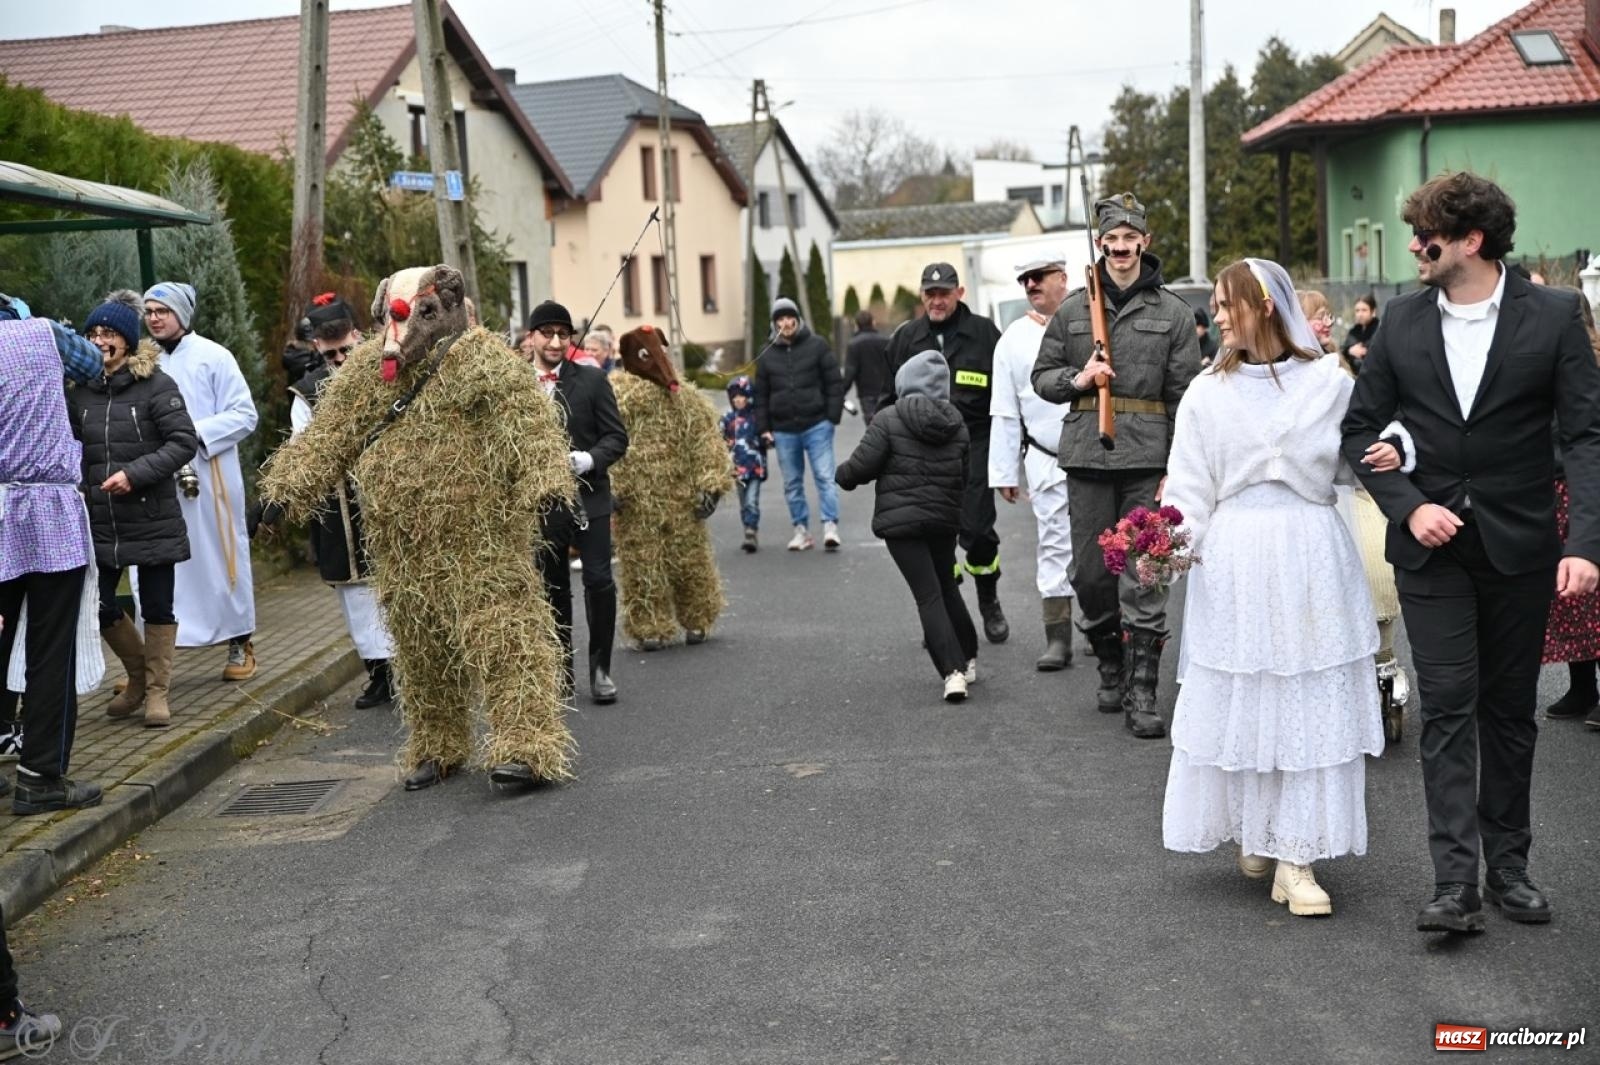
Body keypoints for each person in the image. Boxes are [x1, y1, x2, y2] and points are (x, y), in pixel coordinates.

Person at [1341, 172, 1600, 934]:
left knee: (1509, 711)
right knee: (1448, 703)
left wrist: (1585, 542)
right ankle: (1454, 882)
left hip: (1522, 547)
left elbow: (1587, 437)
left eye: (1428, 236)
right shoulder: (1399, 322)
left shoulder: (1553, 316)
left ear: (1472, 241)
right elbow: (1361, 430)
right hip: (1431, 551)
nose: (1415, 247)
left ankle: (1509, 865)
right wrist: (1410, 505)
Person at [260, 265, 578, 793]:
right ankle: (438, 745)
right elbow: (328, 435)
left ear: (448, 311)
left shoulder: (485, 364)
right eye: (391, 317)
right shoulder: (367, 372)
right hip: (402, 550)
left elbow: (530, 430)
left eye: (417, 315)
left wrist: (545, 481)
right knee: (422, 651)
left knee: (503, 642)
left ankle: (526, 745)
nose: (397, 332)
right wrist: (283, 491)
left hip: (481, 543)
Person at [1161, 258, 1384, 917]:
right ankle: (1260, 827)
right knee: (1252, 695)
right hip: (1236, 556)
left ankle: (1298, 857)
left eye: (1228, 304)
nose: (1218, 316)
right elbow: (1190, 487)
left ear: (1263, 305)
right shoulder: (1207, 392)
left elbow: (1360, 459)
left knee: (1308, 695)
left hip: (1311, 552)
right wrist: (1168, 545)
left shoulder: (1329, 381)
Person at [1031, 191, 1201, 738]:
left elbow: (1185, 398)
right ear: (1100, 244)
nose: (1122, 248)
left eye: (1131, 240)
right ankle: (1108, 660)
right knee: (1089, 575)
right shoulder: (1074, 309)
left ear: (1144, 243)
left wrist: (1178, 465)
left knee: (1145, 574)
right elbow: (1043, 376)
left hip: (1148, 461)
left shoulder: (1172, 312)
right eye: (1112, 241)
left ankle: (1142, 691)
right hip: (1086, 455)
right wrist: (1078, 380)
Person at [0, 291, 105, 816]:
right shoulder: (39, 332)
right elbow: (93, 363)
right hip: (45, 512)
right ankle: (40, 776)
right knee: (50, 648)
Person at [71, 299, 197, 729]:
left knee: (158, 604)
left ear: (127, 340)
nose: (100, 341)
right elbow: (69, 449)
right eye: (94, 334)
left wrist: (134, 474)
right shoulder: (80, 392)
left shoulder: (157, 385)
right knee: (98, 603)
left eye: (109, 334)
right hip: (101, 518)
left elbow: (182, 442)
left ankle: (158, 693)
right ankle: (139, 677)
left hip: (151, 513)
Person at [837, 350, 977, 702]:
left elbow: (862, 466)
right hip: (943, 521)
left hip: (902, 525)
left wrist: (842, 476)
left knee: (926, 595)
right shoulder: (956, 422)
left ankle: (952, 671)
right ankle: (969, 656)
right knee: (947, 586)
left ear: (906, 381)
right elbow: (964, 475)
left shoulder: (888, 418)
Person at [883, 264, 1009, 643]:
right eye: (930, 293)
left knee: (977, 532)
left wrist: (1011, 452)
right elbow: (886, 400)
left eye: (945, 292)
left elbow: (1006, 397)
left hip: (974, 445)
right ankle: (944, 611)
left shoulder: (985, 335)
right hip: (922, 452)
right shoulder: (905, 338)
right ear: (922, 295)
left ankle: (989, 601)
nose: (937, 300)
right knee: (934, 536)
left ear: (960, 292)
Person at [282, 294, 396, 710]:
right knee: (355, 595)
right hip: (339, 507)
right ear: (317, 349)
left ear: (359, 336)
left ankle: (410, 668)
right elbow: (301, 448)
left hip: (389, 500)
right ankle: (379, 672)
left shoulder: (388, 374)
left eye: (347, 350)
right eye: (332, 354)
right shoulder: (308, 392)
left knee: (396, 586)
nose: (342, 359)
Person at [142, 282, 259, 680]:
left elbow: (244, 414)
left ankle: (239, 642)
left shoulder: (215, 356)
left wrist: (191, 433)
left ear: (181, 315)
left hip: (210, 477)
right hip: (158, 477)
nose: (154, 318)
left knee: (219, 554)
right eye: (149, 311)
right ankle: (155, 661)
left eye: (162, 310)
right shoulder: (144, 361)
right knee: (159, 560)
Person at [525, 301, 629, 705]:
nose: (554, 342)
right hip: (543, 504)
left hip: (591, 499)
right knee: (552, 587)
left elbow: (616, 438)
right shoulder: (514, 383)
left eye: (562, 335)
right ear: (531, 337)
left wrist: (588, 459)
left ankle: (600, 669)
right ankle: (560, 668)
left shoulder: (591, 380)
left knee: (599, 581)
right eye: (546, 333)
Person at [608, 326, 734, 649]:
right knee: (642, 564)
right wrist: (610, 486)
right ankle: (649, 624)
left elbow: (705, 441)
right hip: (636, 503)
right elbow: (606, 444)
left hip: (681, 499)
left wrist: (711, 485)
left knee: (690, 562)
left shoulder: (685, 400)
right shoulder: (616, 401)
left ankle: (698, 616)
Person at [989, 258, 1076, 671]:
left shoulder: (1090, 321)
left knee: (1104, 543)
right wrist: (1004, 472)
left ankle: (1103, 626)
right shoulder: (1013, 339)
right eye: (1025, 279)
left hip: (1098, 454)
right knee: (1055, 544)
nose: (1030, 285)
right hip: (1045, 456)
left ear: (1063, 279)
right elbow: (1005, 410)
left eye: (1039, 277)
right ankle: (1057, 636)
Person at [1541, 293, 1600, 727]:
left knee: (1593, 596)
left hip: (1582, 486)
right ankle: (1582, 688)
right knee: (1568, 597)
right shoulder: (1548, 364)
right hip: (1552, 486)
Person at [752, 297, 844, 552]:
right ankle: (801, 530)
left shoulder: (817, 345)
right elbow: (761, 394)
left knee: (825, 476)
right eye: (779, 319)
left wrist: (831, 417)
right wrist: (764, 428)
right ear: (774, 324)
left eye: (789, 317)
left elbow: (834, 382)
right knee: (792, 483)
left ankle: (830, 526)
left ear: (797, 319)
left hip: (817, 424)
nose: (785, 323)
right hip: (783, 429)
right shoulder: (767, 353)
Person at [721, 374, 767, 553]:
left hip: (754, 467)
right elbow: (718, 435)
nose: (738, 400)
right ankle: (748, 529)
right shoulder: (727, 419)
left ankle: (751, 529)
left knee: (751, 501)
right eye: (735, 397)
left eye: (742, 396)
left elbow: (765, 435)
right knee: (743, 503)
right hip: (736, 469)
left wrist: (767, 439)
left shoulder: (756, 418)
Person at [841, 310, 891, 425]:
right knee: (888, 426)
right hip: (886, 391)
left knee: (873, 428)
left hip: (866, 393)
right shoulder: (886, 341)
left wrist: (840, 393)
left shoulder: (854, 344)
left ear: (856, 325)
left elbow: (850, 373)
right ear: (873, 322)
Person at [1340, 293, 1380, 369]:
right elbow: (1343, 349)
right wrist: (1349, 350)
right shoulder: (1354, 331)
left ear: (1373, 312)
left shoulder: (1379, 329)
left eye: (1364, 310)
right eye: (1357, 311)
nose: (1360, 314)